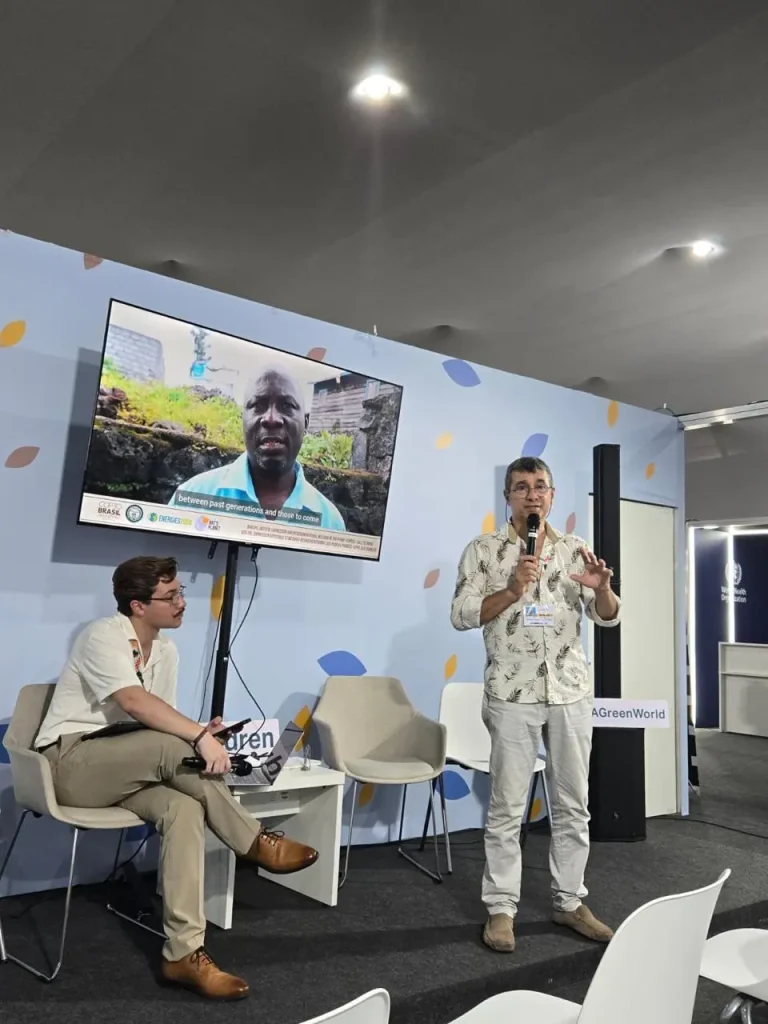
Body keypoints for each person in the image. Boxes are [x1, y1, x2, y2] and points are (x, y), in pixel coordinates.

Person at [35, 555, 318, 1000]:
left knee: (184, 808)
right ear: (138, 605)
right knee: (175, 747)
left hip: (125, 768)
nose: (182, 602)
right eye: (170, 596)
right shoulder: (103, 635)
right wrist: (198, 738)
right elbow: (134, 703)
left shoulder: (166, 651)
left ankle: (183, 954)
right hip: (69, 765)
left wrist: (204, 732)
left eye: (180, 592)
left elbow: (156, 721)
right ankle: (255, 840)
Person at [450, 456, 620, 954]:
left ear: (552, 495)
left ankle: (569, 901)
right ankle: (502, 908)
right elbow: (461, 615)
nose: (532, 494)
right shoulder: (484, 550)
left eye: (540, 486)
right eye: (522, 487)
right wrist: (511, 590)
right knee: (507, 807)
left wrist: (604, 589)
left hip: (569, 692)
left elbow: (608, 617)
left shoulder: (575, 550)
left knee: (574, 805)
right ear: (508, 496)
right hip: (512, 694)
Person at [169, 366, 346, 531]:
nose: (271, 419)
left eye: (287, 406)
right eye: (258, 406)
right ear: (243, 419)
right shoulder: (191, 498)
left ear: (306, 423)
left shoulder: (330, 522)